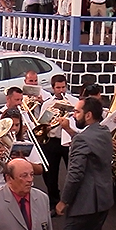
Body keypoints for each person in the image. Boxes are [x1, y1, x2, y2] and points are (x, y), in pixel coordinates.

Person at [54, 97, 113, 230]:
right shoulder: (103, 132)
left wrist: (64, 201)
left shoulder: (82, 140)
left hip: (85, 202)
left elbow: (75, 175)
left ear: (88, 115)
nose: (74, 115)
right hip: (103, 199)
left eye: (77, 112)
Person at [38, 74, 78, 208]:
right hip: (52, 141)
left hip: (69, 141)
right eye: (58, 88)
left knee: (73, 171)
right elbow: (42, 124)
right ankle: (54, 202)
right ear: (53, 88)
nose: (61, 91)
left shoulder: (74, 102)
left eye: (63, 87)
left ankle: (72, 201)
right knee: (51, 174)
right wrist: (49, 124)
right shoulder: (48, 104)